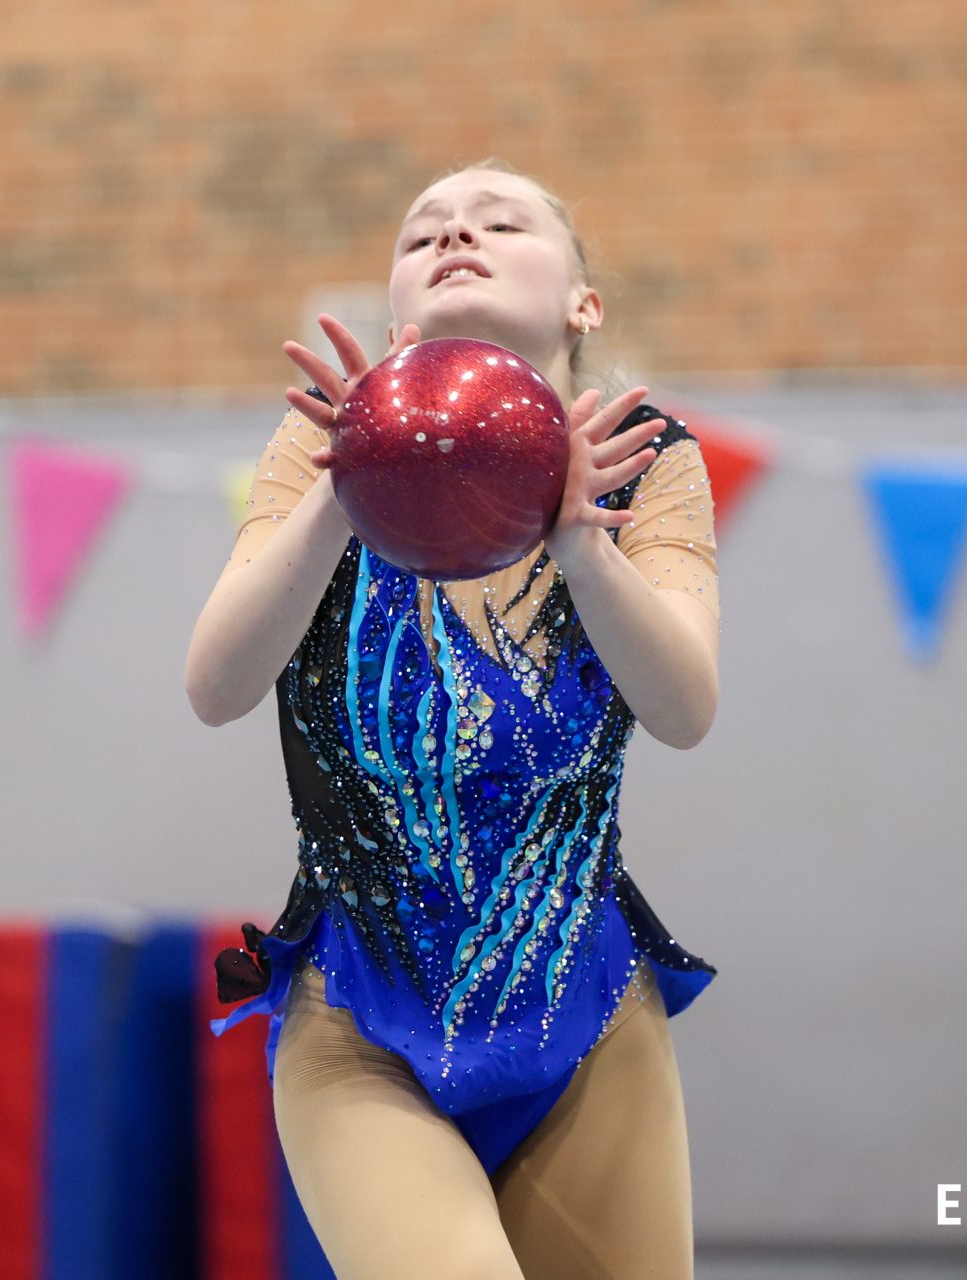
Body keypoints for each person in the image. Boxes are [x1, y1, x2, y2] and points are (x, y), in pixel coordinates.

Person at [184, 157, 721, 1280]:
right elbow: (216, 684)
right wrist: (347, 484)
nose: (455, 234)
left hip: (587, 1021)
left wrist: (582, 546)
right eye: (423, 229)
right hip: (360, 1024)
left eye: (502, 222)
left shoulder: (646, 459)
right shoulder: (319, 448)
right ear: (397, 310)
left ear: (584, 302)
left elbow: (684, 708)